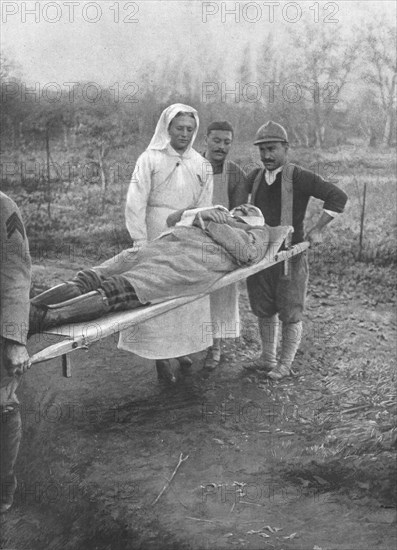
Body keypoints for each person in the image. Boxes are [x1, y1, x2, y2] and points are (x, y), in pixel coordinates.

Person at [28, 205, 292, 334]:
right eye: (242, 206)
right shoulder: (218, 212)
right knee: (92, 276)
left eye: (249, 209)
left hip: (187, 265)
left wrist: (209, 222)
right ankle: (27, 308)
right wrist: (202, 214)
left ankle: (44, 319)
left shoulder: (259, 232)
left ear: (255, 219)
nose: (243, 207)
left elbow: (246, 254)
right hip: (163, 247)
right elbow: (174, 220)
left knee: (117, 290)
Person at [244, 121, 348, 380]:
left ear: (286, 148)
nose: (267, 155)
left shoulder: (299, 176)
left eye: (272, 149)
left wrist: (318, 228)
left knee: (290, 311)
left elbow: (338, 196)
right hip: (261, 256)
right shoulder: (255, 177)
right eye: (262, 150)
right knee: (263, 307)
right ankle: (267, 358)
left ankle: (285, 363)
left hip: (290, 255)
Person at [123, 104, 213, 382]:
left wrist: (197, 232)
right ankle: (160, 357)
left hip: (186, 232)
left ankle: (181, 348)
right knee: (157, 291)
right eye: (179, 128)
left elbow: (203, 205)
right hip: (155, 231)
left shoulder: (201, 164)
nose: (184, 134)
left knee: (186, 292)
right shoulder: (149, 159)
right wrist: (140, 239)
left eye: (189, 129)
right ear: (167, 128)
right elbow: (135, 201)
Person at [202, 121, 249, 369]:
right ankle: (183, 346)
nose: (221, 146)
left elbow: (239, 215)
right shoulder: (191, 166)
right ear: (206, 139)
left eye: (227, 142)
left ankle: (215, 347)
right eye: (217, 140)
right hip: (192, 234)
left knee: (220, 293)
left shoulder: (236, 175)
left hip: (222, 240)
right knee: (187, 292)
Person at [0, 192, 32, 513]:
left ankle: (3, 482)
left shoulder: (3, 208)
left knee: (2, 404)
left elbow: (16, 276)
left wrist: (14, 338)